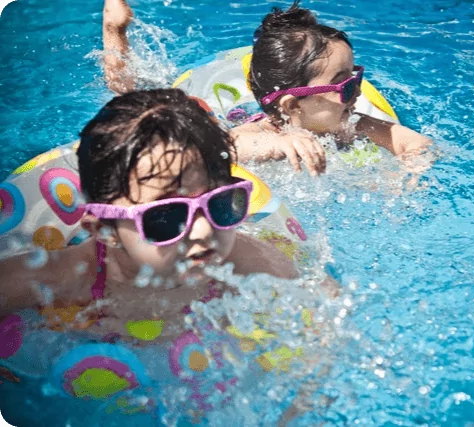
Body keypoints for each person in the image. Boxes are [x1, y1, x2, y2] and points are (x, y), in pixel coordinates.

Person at [0, 88, 298, 336]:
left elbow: (323, 315)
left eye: (220, 203)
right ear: (104, 230)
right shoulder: (64, 278)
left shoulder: (250, 264)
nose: (204, 230)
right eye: (167, 216)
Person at [101, 0, 432, 177]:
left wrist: (410, 172)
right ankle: (115, 30)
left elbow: (412, 142)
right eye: (342, 86)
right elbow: (220, 150)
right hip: (229, 119)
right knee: (137, 108)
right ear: (291, 106)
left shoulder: (354, 124)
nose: (356, 93)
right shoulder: (261, 130)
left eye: (355, 78)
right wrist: (274, 145)